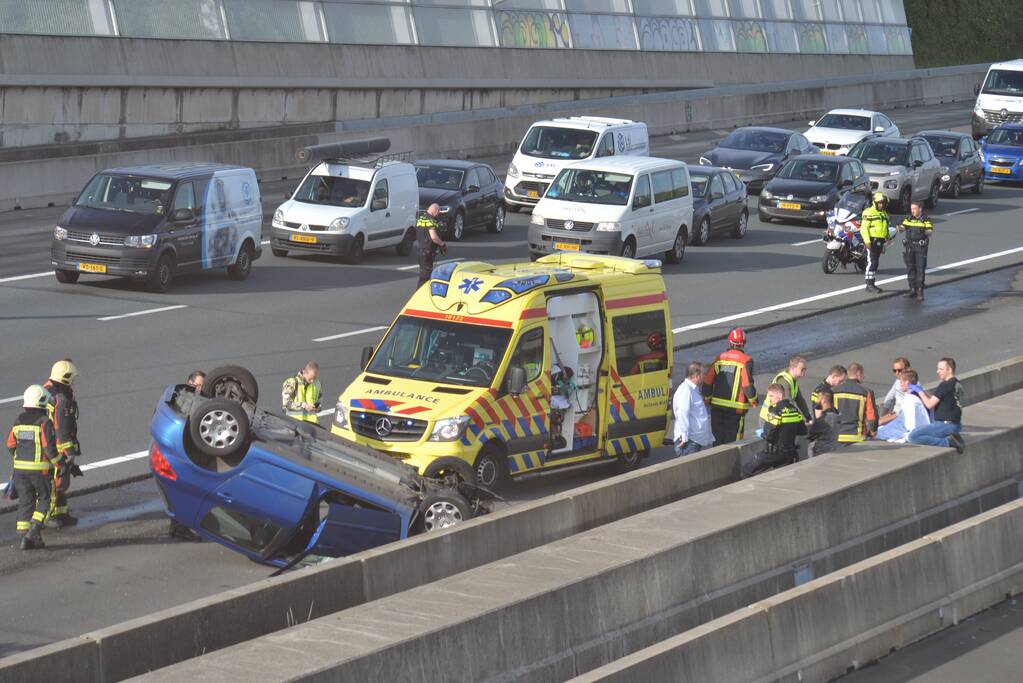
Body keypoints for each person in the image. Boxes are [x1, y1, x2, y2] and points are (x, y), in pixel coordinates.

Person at [7, 385, 60, 550]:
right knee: (45, 499)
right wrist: (61, 464)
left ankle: (26, 537)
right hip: (40, 470)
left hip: (19, 471)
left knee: (26, 501)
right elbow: (49, 448)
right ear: (43, 402)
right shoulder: (44, 422)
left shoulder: (18, 421)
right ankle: (34, 530)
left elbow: (10, 445)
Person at [702, 328, 758, 444]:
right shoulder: (745, 360)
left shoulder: (720, 358)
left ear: (729, 342)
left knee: (717, 441)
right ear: (743, 343)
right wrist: (753, 400)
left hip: (717, 408)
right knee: (733, 443)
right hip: (735, 411)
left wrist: (706, 399)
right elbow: (747, 384)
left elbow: (708, 380)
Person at [43, 359, 81, 528]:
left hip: (45, 444)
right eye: (72, 379)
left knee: (55, 482)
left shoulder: (46, 389)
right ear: (65, 379)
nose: (74, 383)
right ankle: (51, 517)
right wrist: (70, 453)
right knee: (57, 482)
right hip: (57, 448)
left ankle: (61, 513)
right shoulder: (63, 400)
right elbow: (62, 430)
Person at [741, 384, 807, 478]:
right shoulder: (794, 410)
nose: (770, 399)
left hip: (774, 453)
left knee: (746, 470)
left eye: (771, 396)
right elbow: (802, 430)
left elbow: (768, 434)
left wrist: (762, 433)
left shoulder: (775, 411)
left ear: (780, 396)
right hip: (790, 453)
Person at [909, 357, 966, 454]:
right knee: (920, 431)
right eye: (937, 368)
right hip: (955, 425)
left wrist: (918, 391)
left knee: (913, 436)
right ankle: (952, 435)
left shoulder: (944, 385)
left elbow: (929, 404)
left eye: (941, 369)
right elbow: (936, 399)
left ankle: (949, 442)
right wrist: (922, 390)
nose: (937, 371)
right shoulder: (957, 384)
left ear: (950, 370)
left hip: (945, 425)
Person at [877, 369, 931, 443]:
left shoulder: (910, 398)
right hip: (915, 427)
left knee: (880, 431)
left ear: (907, 382)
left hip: (909, 430)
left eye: (901, 382)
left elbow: (911, 423)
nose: (900, 384)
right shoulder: (919, 394)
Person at [672, 363, 714, 456]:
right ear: (696, 376)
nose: (705, 376)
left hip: (694, 440)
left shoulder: (693, 389)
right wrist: (684, 436)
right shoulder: (686, 390)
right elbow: (682, 413)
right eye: (703, 374)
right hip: (689, 442)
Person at [833, 362, 878, 444]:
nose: (863, 377)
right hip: (857, 437)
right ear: (858, 373)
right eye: (862, 374)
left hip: (837, 436)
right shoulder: (866, 392)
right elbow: (872, 417)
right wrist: (873, 431)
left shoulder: (834, 391)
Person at [760, 355, 811, 423]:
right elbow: (788, 404)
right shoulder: (784, 381)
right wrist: (800, 421)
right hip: (769, 418)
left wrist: (808, 417)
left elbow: (800, 400)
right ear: (793, 368)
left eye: (805, 369)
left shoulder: (792, 381)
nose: (804, 371)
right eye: (802, 369)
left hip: (778, 417)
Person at [899, 201, 933, 300]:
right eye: (911, 208)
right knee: (910, 267)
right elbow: (901, 229)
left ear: (920, 209)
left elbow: (930, 232)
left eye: (914, 208)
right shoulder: (909, 218)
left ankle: (920, 291)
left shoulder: (925, 219)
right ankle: (912, 289)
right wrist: (898, 225)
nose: (912, 210)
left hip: (920, 247)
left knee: (920, 268)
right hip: (909, 246)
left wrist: (925, 231)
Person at [860, 192, 890, 294]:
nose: (882, 204)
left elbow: (885, 227)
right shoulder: (869, 212)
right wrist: (867, 241)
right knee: (872, 262)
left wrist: (887, 237)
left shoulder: (884, 214)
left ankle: (871, 283)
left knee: (875, 262)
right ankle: (869, 284)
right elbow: (864, 228)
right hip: (872, 241)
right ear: (875, 203)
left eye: (883, 203)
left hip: (880, 241)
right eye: (880, 203)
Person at [416, 203, 447, 288]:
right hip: (427, 251)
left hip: (420, 250)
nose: (438, 214)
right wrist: (442, 244)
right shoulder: (430, 221)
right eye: (438, 212)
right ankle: (419, 297)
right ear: (435, 211)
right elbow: (434, 237)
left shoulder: (421, 219)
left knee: (424, 274)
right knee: (425, 278)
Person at [807, 389, 840, 457]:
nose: (817, 401)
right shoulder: (837, 415)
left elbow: (810, 434)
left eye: (818, 398)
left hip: (821, 452)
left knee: (810, 446)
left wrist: (818, 418)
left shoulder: (824, 419)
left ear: (823, 400)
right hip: (834, 448)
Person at [879, 357, 911, 426]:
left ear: (907, 369)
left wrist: (884, 419)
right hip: (895, 414)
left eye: (899, 370)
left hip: (902, 417)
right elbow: (889, 397)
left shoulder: (911, 385)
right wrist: (883, 415)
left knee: (877, 425)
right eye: (894, 371)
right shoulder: (898, 381)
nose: (897, 373)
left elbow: (908, 409)